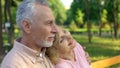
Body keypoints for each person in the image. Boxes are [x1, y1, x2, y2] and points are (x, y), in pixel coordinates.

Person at [1, 0, 57, 68]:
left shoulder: (43, 54)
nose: (55, 30)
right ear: (27, 26)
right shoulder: (13, 65)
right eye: (49, 23)